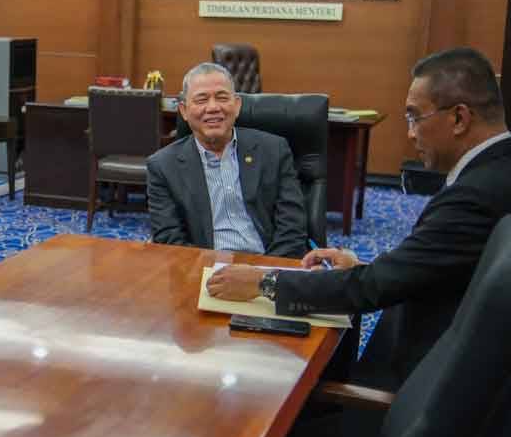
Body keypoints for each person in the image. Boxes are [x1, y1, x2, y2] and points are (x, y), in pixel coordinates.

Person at [208, 46, 511, 389]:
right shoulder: (496, 173)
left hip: (414, 392)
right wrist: (362, 266)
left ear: (459, 118)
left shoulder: (475, 196)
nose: (410, 134)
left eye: (415, 117)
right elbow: (433, 264)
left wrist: (264, 283)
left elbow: (373, 289)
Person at [147, 62, 308, 258]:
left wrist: (263, 273)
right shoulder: (163, 166)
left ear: (237, 105)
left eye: (222, 98)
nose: (213, 107)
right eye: (201, 100)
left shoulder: (274, 150)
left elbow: (292, 228)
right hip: (204, 269)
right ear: (184, 111)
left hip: (268, 265)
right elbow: (169, 239)